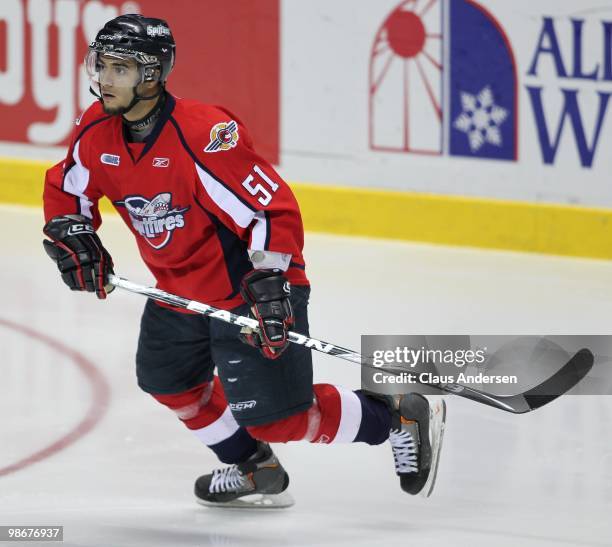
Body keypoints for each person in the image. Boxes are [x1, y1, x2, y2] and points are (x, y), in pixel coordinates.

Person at [42, 14, 446, 507]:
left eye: (120, 68)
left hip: (252, 290)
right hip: (177, 293)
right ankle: (255, 468)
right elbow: (66, 189)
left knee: (280, 418)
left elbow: (269, 208)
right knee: (168, 381)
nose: (105, 78)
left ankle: (394, 416)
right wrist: (73, 232)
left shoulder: (203, 134)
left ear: (152, 75)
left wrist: (271, 278)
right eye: (101, 64)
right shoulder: (95, 130)